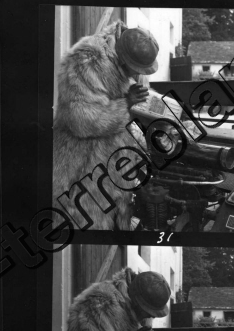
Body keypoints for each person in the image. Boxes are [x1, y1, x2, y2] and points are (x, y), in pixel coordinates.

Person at [52, 21, 159, 230]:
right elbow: (81, 120)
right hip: (81, 163)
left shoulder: (124, 54)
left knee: (111, 219)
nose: (135, 74)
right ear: (123, 57)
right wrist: (126, 103)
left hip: (113, 161)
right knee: (82, 220)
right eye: (134, 69)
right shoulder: (86, 61)